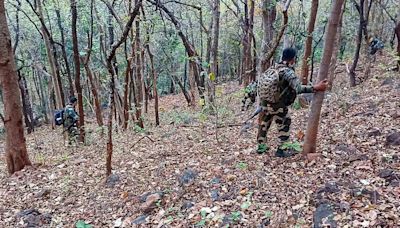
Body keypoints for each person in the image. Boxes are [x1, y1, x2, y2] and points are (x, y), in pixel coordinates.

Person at [257, 48, 328, 157]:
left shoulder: (273, 68)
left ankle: (261, 148)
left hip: (266, 103)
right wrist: (316, 88)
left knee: (264, 125)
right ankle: (281, 150)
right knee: (285, 123)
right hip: (278, 105)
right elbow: (298, 88)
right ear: (292, 59)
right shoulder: (287, 71)